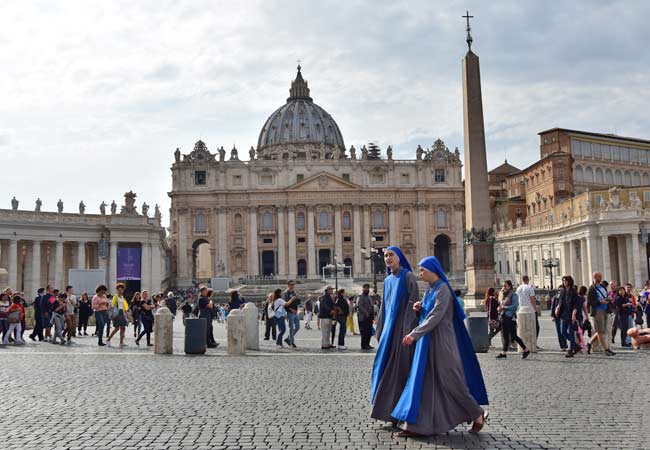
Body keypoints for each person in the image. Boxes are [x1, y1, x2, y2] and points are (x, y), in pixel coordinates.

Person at [392, 256, 488, 437]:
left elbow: (436, 316)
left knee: (451, 381)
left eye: (422, 270)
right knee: (425, 382)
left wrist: (414, 334)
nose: (420, 274)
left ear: (433, 270)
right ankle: (417, 425)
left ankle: (477, 412)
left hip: (442, 342)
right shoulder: (430, 290)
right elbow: (428, 313)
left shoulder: (443, 289)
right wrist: (419, 309)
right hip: (427, 342)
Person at [370, 246, 419, 428]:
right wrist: (380, 330)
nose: (388, 258)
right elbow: (383, 307)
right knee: (385, 371)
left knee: (400, 372)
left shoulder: (408, 276)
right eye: (385, 256)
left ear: (399, 258)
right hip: (388, 333)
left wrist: (408, 330)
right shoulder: (388, 280)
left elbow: (413, 303)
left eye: (391, 255)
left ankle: (402, 412)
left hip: (402, 332)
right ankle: (390, 412)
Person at [496, 280, 530, 359]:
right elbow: (501, 304)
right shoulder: (503, 295)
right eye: (503, 286)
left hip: (510, 317)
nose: (504, 287)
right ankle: (505, 352)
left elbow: (514, 307)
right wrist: (499, 308)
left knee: (512, 336)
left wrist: (504, 307)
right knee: (508, 336)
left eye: (505, 286)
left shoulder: (514, 295)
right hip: (504, 316)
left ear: (510, 286)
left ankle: (524, 350)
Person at [586, 272, 615, 355]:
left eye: (601, 276)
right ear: (595, 277)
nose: (601, 278)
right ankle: (606, 349)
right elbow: (589, 302)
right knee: (600, 331)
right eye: (599, 276)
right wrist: (599, 301)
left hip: (606, 310)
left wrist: (608, 299)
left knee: (602, 331)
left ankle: (589, 343)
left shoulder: (603, 286)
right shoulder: (592, 288)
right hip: (597, 311)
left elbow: (604, 296)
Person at [555, 276, 579, 357]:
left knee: (571, 333)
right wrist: (557, 307)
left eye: (566, 280)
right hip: (563, 314)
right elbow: (560, 301)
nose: (564, 282)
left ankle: (571, 350)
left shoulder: (573, 291)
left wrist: (574, 313)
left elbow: (576, 304)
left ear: (569, 281)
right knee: (563, 332)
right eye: (563, 280)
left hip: (571, 314)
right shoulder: (562, 290)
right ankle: (575, 345)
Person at [516, 275, 537, 344]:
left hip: (521, 309)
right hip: (530, 309)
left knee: (522, 327)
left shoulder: (518, 288)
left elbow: (517, 299)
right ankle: (533, 342)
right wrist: (535, 309)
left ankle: (523, 343)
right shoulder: (529, 288)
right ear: (528, 279)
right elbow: (532, 299)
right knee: (535, 327)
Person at [107, 283, 129, 347]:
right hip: (117, 313)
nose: (120, 291)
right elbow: (112, 306)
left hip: (122, 313)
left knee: (123, 328)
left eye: (121, 290)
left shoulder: (122, 297)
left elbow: (124, 306)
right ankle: (108, 340)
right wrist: (112, 315)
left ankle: (121, 342)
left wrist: (126, 313)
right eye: (119, 290)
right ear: (117, 290)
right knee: (117, 328)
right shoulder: (115, 297)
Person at [357, 284, 375, 350]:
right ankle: (364, 345)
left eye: (368, 288)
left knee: (369, 331)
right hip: (364, 318)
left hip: (369, 317)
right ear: (363, 289)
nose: (367, 289)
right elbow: (360, 306)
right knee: (364, 332)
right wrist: (366, 312)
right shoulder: (361, 297)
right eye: (365, 288)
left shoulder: (368, 296)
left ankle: (367, 344)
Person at [283, 281, 300, 348]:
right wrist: (291, 310)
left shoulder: (294, 292)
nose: (293, 286)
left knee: (298, 327)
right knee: (291, 328)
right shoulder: (286, 293)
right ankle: (291, 342)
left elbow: (298, 302)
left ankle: (288, 338)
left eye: (293, 284)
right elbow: (285, 304)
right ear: (288, 285)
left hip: (296, 312)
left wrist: (298, 298)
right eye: (291, 284)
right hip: (290, 312)